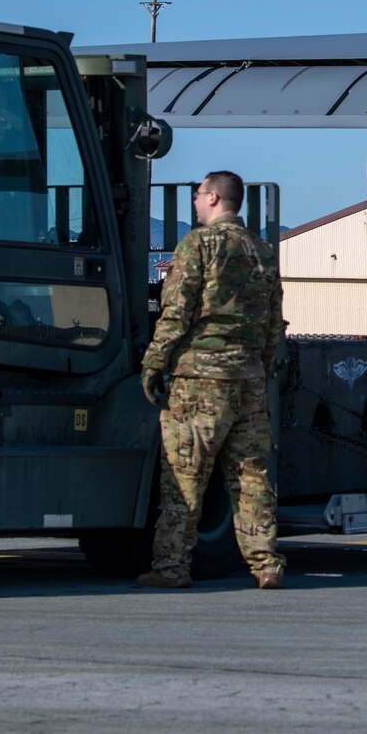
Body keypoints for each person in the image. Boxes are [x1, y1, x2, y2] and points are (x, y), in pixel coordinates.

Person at [136, 170, 287, 590]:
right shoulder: (262, 251)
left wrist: (153, 363)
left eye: (199, 194)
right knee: (252, 475)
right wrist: (262, 366)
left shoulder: (199, 245)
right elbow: (275, 321)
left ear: (215, 199)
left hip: (201, 380)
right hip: (249, 380)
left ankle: (171, 566)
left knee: (185, 476)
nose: (195, 202)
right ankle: (266, 566)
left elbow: (177, 311)